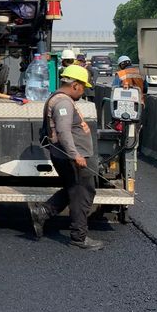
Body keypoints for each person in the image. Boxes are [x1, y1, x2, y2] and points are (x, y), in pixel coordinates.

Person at [28, 65, 103, 250]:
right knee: (82, 194)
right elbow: (63, 131)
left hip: (66, 155)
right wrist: (75, 154)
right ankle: (79, 237)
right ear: (75, 85)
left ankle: (42, 212)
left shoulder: (59, 99)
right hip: (71, 157)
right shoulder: (64, 103)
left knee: (73, 189)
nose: (83, 91)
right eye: (83, 87)